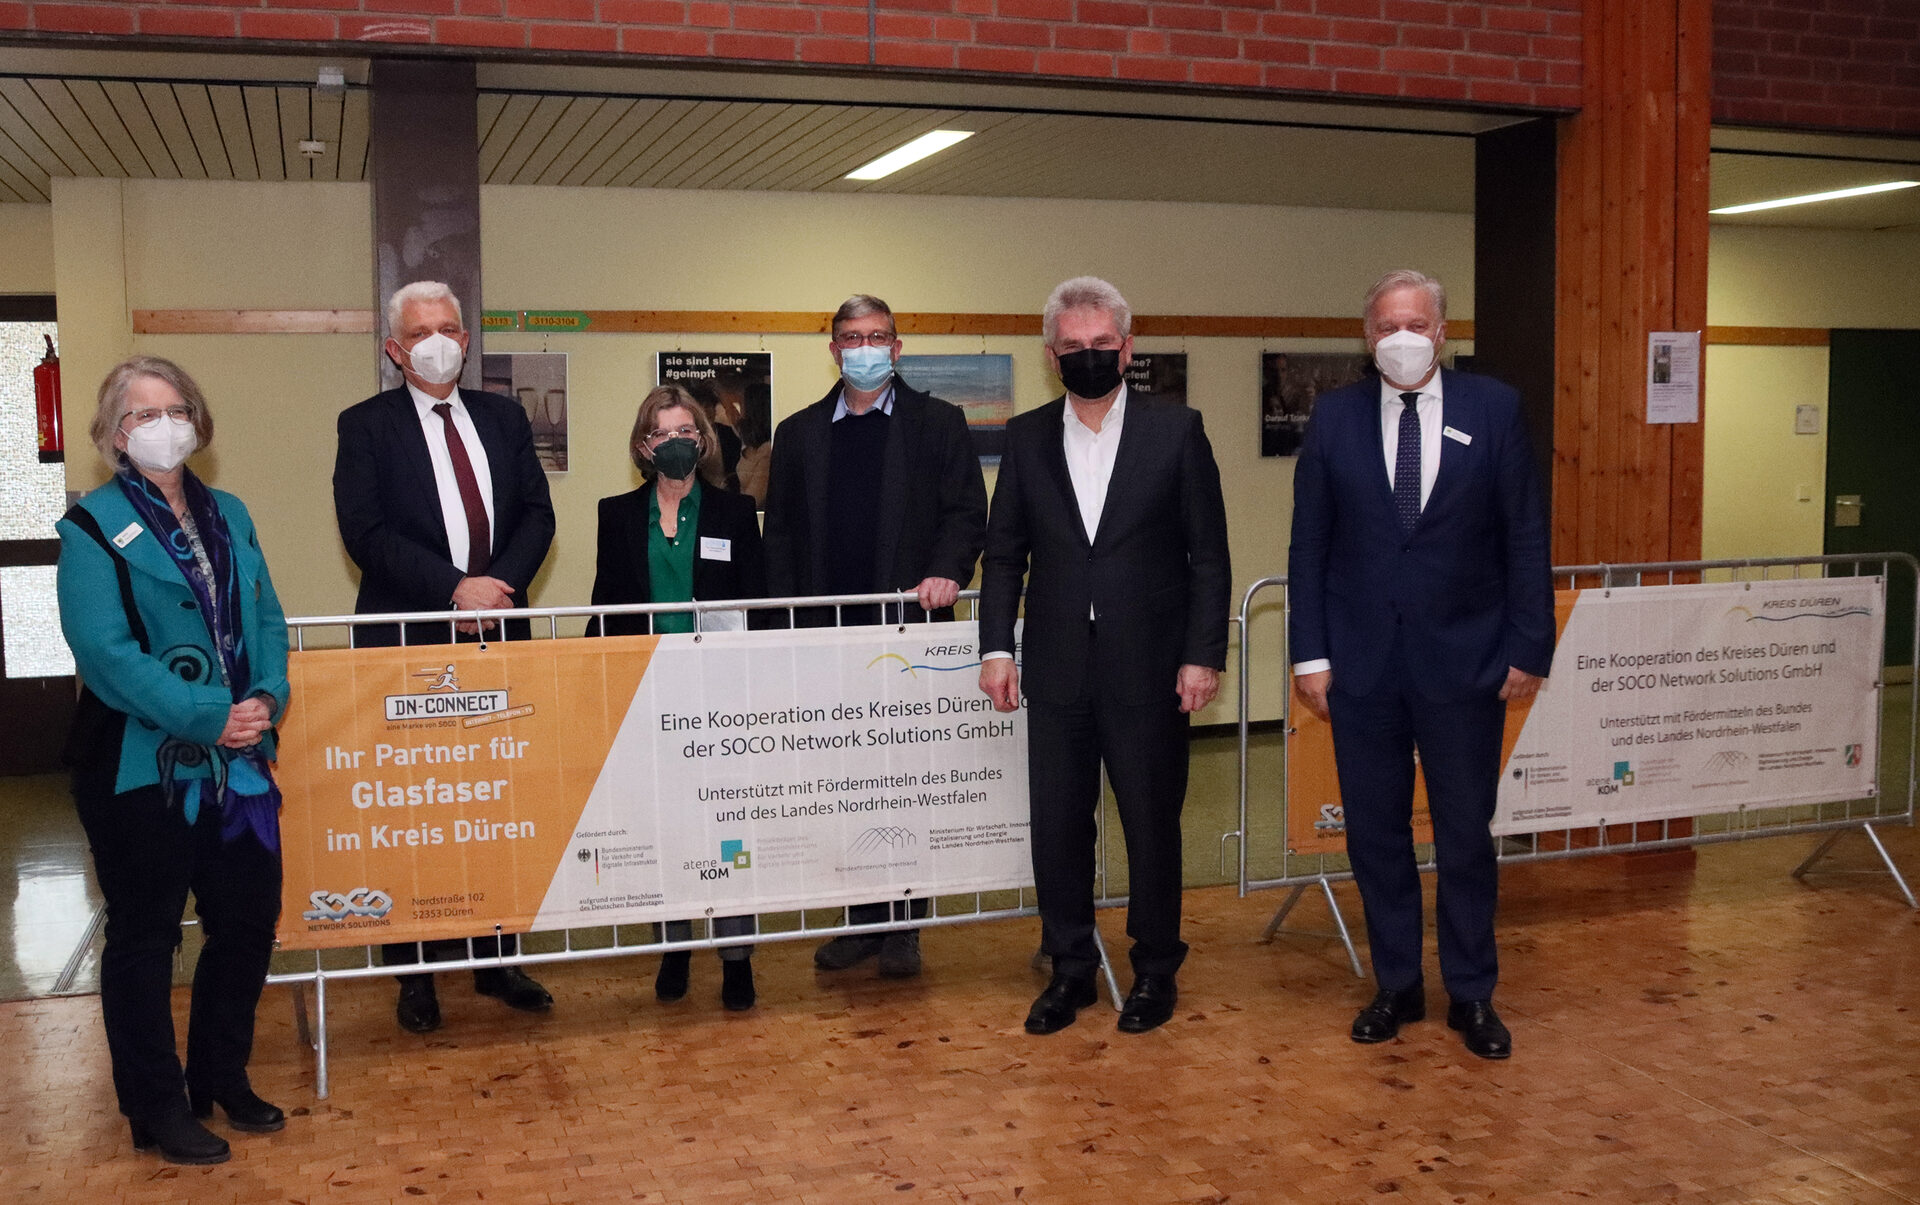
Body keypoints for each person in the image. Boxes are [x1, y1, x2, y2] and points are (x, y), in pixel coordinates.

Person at [1286, 269, 1555, 1060]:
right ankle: (1397, 983)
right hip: (1361, 667)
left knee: (1465, 833)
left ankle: (1472, 991)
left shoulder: (1493, 408)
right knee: (1375, 834)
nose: (1399, 338)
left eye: (1414, 324)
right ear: (1367, 337)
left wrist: (1529, 644)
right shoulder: (1334, 417)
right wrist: (1311, 653)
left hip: (1466, 662)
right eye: (1385, 327)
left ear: (1441, 330)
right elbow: (1309, 543)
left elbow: (1524, 533)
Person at [978, 276, 1230, 1035]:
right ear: (1051, 355)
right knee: (1058, 824)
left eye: (1101, 343)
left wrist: (1203, 654)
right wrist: (996, 647)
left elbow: (1208, 556)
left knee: (1152, 821)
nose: (1087, 355)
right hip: (1056, 664)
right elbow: (1004, 556)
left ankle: (1155, 968)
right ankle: (1070, 968)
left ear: (1126, 348)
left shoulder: (1176, 431)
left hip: (1151, 665)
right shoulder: (1026, 437)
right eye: (1072, 346)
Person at [57, 357, 290, 1165]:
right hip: (136, 765)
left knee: (247, 920)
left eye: (176, 408)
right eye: (143, 413)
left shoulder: (231, 513)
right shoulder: (91, 527)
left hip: (241, 762)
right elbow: (104, 651)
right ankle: (155, 1105)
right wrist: (207, 714)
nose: (164, 424)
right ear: (115, 434)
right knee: (146, 935)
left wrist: (266, 695)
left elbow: (267, 618)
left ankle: (220, 1074)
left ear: (197, 418)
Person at [332, 280, 557, 1034]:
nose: (436, 342)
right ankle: (415, 973)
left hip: (498, 633)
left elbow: (537, 514)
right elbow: (364, 532)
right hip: (408, 639)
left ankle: (498, 957)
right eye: (419, 331)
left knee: (497, 800)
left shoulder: (504, 416)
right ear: (396, 350)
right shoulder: (365, 426)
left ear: (465, 338)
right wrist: (455, 590)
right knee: (414, 809)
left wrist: (498, 589)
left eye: (448, 328)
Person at [762, 294, 988, 980]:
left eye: (877, 336)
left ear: (897, 346)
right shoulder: (798, 433)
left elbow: (965, 514)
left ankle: (905, 922)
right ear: (834, 350)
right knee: (844, 781)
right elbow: (782, 538)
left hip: (908, 635)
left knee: (905, 780)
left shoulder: (939, 424)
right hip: (825, 637)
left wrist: (948, 571)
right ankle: (861, 918)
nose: (865, 348)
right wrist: (780, 631)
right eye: (852, 337)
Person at [590, 384, 767, 1010]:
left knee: (727, 824)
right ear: (644, 446)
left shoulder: (735, 513)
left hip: (719, 697)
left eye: (685, 431)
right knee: (664, 826)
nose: (675, 442)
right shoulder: (616, 514)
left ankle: (737, 956)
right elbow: (604, 608)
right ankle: (674, 946)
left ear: (703, 439)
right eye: (662, 433)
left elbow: (757, 607)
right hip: (646, 696)